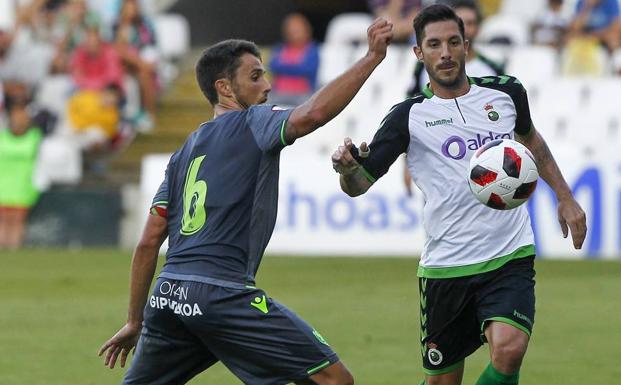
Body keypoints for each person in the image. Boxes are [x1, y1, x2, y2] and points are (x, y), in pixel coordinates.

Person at [98, 18, 393, 385]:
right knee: (333, 380)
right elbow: (313, 114)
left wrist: (135, 320)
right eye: (255, 77)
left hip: (168, 296)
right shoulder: (253, 122)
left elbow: (148, 241)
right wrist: (372, 58)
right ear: (224, 87)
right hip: (220, 294)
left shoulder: (182, 154)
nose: (267, 85)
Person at [331, 5, 586, 385]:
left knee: (509, 348)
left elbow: (531, 141)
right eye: (434, 45)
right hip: (446, 266)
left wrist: (564, 196)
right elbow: (358, 186)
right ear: (419, 53)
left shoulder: (506, 93)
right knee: (443, 381)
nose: (445, 52)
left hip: (508, 254)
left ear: (467, 45)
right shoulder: (407, 117)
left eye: (453, 42)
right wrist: (347, 170)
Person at [404, 0, 504, 195]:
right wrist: (406, 164)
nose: (468, 28)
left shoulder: (492, 69)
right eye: (463, 22)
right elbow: (411, 116)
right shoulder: (423, 69)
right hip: (440, 164)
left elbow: (508, 114)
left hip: (487, 164)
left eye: (472, 23)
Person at [0, 96, 43, 249]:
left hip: (23, 181)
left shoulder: (35, 136)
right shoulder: (2, 136)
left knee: (18, 218)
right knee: (3, 217)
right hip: (3, 180)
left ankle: (14, 247)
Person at [268, 13, 319, 107]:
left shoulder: (312, 49)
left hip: (302, 95)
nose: (294, 33)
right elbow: (273, 66)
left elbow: (307, 69)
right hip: (279, 93)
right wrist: (296, 66)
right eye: (291, 30)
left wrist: (284, 66)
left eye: (297, 30)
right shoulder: (280, 48)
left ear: (307, 30)